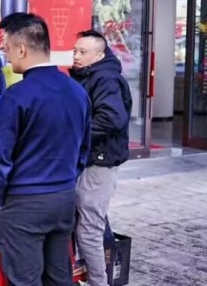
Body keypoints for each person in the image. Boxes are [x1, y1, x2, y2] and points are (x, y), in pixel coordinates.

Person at [0, 14, 91, 286]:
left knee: (25, 279)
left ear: (22, 49)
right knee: (59, 277)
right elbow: (83, 149)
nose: (6, 55)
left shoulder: (16, 95)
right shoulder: (77, 91)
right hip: (63, 198)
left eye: (8, 48)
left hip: (23, 203)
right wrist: (66, 181)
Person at [70, 31, 132, 286]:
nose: (76, 56)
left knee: (89, 230)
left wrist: (76, 135)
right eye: (75, 51)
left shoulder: (105, 78)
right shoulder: (89, 76)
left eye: (83, 52)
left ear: (99, 55)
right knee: (87, 224)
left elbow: (111, 119)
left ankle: (99, 282)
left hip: (99, 162)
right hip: (90, 159)